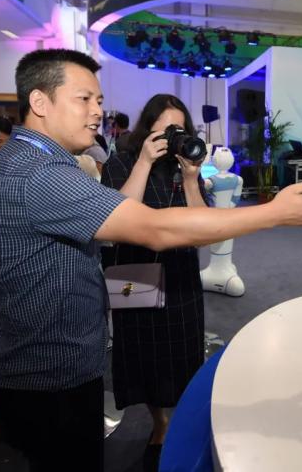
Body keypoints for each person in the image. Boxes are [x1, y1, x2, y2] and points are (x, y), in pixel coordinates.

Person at [0, 48, 302, 472]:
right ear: (39, 101)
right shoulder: (39, 173)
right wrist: (273, 213)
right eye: (84, 99)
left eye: (99, 100)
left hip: (53, 362)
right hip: (48, 374)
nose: (97, 111)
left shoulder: (31, 162)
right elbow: (155, 229)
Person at [101, 94, 210, 470]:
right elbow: (116, 219)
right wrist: (145, 162)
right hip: (134, 273)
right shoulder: (121, 161)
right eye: (163, 129)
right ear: (147, 128)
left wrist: (192, 178)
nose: (171, 136)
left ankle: (183, 420)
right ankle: (159, 423)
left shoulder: (185, 165)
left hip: (180, 273)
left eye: (178, 128)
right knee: (143, 356)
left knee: (183, 352)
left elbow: (203, 228)